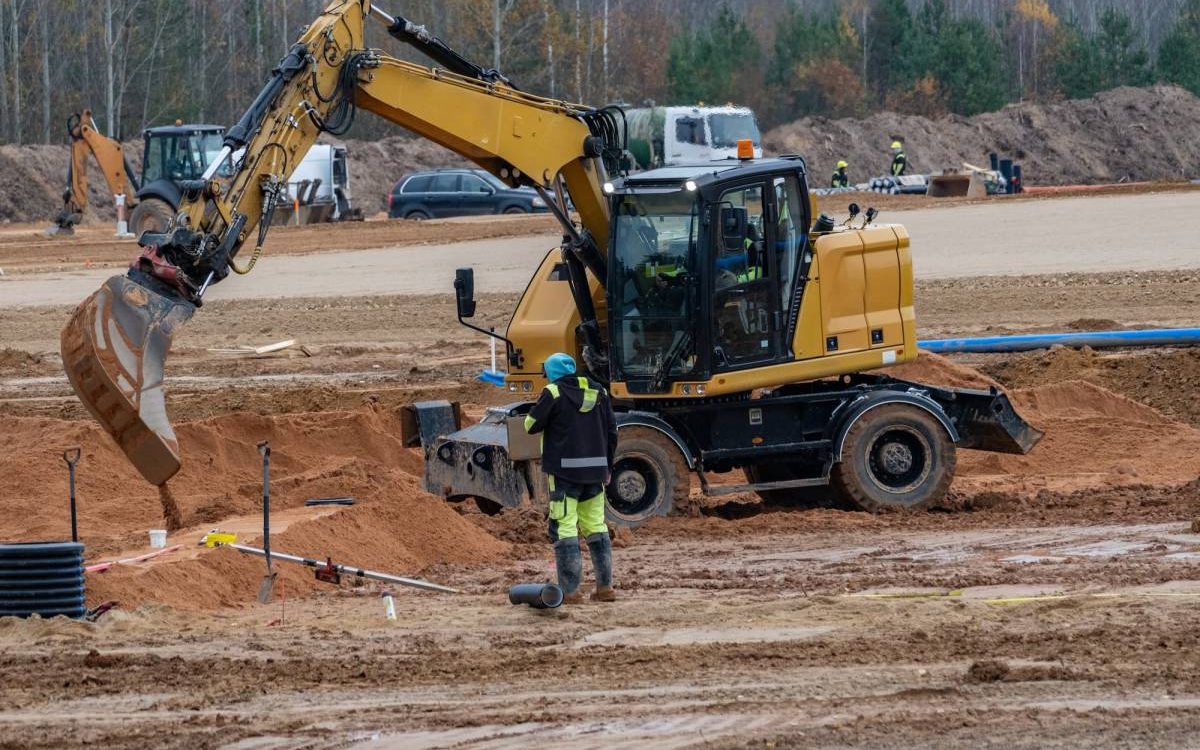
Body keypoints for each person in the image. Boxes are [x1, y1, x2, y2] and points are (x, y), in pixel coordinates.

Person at [524, 352, 618, 604]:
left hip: (564, 474)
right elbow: (612, 431)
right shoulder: (600, 392)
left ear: (552, 373)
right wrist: (607, 467)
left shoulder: (553, 392)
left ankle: (571, 591)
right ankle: (605, 588)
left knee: (564, 527)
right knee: (596, 526)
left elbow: (530, 425)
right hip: (596, 473)